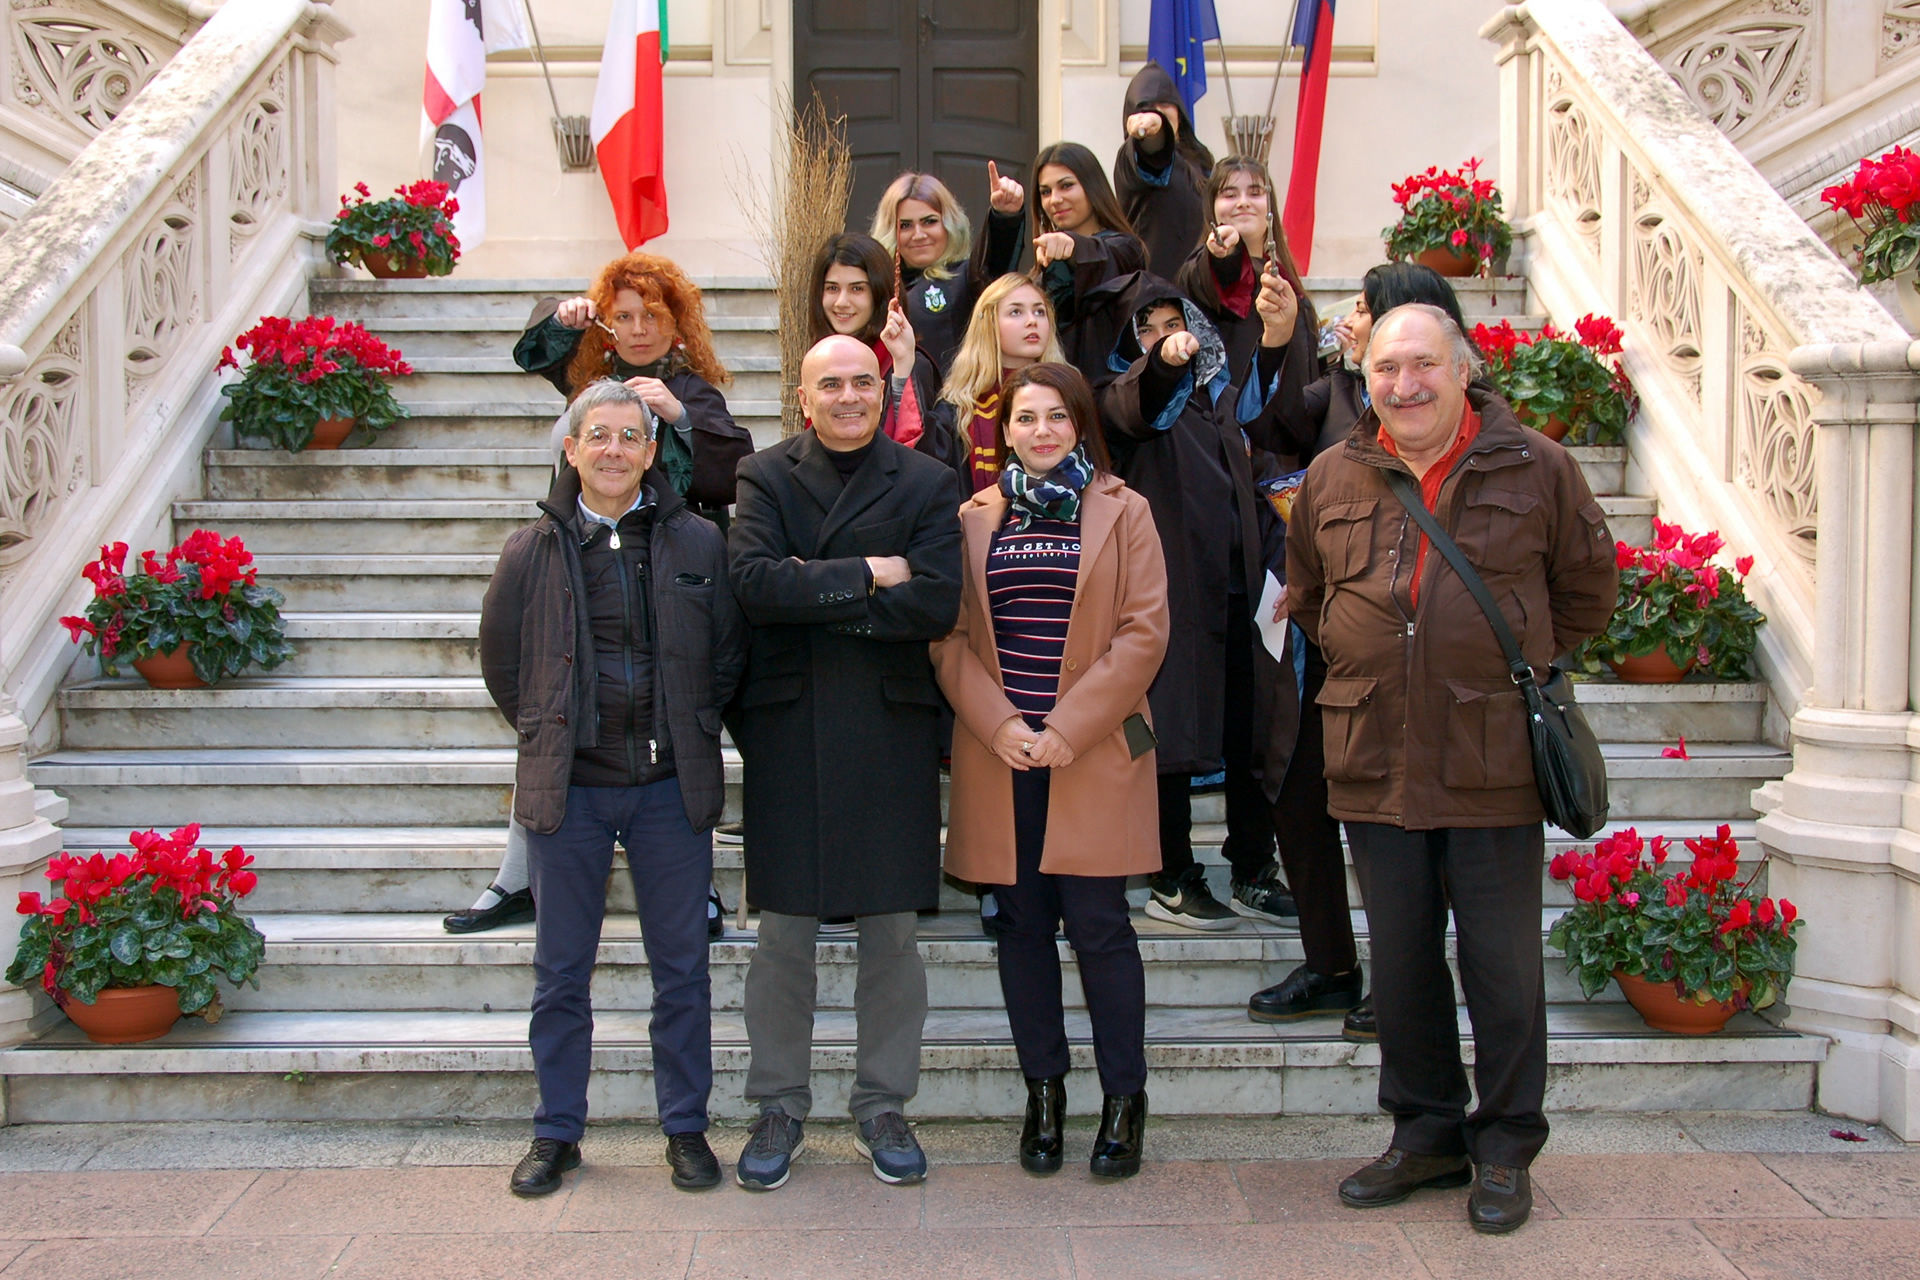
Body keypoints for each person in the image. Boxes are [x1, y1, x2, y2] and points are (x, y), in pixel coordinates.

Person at [1287, 304, 1616, 1233]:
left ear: (1463, 369)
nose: (1404, 385)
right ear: (1367, 376)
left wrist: (1498, 663)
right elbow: (1310, 595)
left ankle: (1505, 1145)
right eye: (1387, 368)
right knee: (1400, 963)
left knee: (1503, 966)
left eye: (1423, 365)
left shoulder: (1536, 466)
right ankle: (1425, 1134)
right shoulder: (1332, 474)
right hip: (1374, 755)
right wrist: (1381, 659)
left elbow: (1589, 589)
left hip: (1490, 756)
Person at [479, 379, 747, 1198]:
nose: (614, 452)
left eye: (631, 438)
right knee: (561, 971)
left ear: (651, 450)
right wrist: (550, 729)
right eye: (598, 437)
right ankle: (557, 1132)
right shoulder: (532, 548)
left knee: (683, 971)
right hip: (575, 795)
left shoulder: (698, 542)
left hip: (670, 790)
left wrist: (694, 724)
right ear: (572, 449)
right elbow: (503, 663)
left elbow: (727, 655)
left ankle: (686, 1130)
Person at [447, 252, 752, 939]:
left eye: (653, 315)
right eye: (623, 317)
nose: (638, 328)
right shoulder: (593, 379)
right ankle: (517, 877)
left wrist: (680, 418)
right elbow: (535, 352)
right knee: (553, 717)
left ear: (678, 324)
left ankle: (696, 886)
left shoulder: (694, 389)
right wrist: (562, 319)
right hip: (581, 573)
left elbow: (735, 472)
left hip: (673, 579)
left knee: (679, 735)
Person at [727, 334, 964, 1191]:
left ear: (884, 386)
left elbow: (937, 600)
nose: (849, 396)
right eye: (832, 383)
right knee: (783, 934)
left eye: (864, 381)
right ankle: (779, 1102)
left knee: (890, 936)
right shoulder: (764, 474)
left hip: (888, 729)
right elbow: (753, 585)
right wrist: (868, 573)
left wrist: (816, 590)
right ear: (804, 395)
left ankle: (882, 1102)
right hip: (789, 729)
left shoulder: (930, 482)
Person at [934, 362, 1168, 1178]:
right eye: (1025, 419)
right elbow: (949, 638)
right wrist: (1000, 724)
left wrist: (1068, 728)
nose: (1040, 431)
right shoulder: (973, 518)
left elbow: (1143, 634)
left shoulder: (1124, 511)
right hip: (1002, 757)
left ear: (1079, 425)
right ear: (1005, 432)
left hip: (1092, 753)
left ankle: (1123, 1100)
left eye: (1056, 417)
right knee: (1022, 931)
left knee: (1102, 929)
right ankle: (1044, 1094)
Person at [1239, 262, 1478, 1041]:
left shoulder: (1462, 418)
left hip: (1410, 658)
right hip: (1315, 640)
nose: (1357, 322)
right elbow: (1266, 429)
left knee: (1397, 823)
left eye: (1373, 312)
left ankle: (1406, 976)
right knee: (1297, 796)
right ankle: (1330, 963)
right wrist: (1280, 344)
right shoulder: (1337, 389)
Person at [1097, 276, 1294, 932]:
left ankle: (1251, 868)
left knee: (1253, 732)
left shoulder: (1222, 397)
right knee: (1170, 736)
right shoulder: (1125, 397)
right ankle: (1171, 874)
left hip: (1241, 594)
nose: (1163, 335)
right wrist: (1162, 361)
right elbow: (1136, 403)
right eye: (1145, 327)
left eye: (1172, 321)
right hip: (1171, 597)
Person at [806, 232, 960, 477]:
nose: (841, 302)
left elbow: (921, 454)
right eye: (832, 288)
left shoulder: (907, 362)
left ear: (879, 295)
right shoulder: (817, 360)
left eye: (857, 289)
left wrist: (901, 368)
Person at [1175, 156, 1317, 398]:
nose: (1243, 203)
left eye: (1255, 193)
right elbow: (1222, 273)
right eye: (1230, 195)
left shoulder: (1282, 274)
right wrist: (1225, 253)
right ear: (1212, 207)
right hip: (1233, 419)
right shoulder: (1204, 268)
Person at [871, 166, 1029, 375]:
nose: (918, 234)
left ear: (949, 224)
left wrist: (1004, 217)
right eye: (905, 225)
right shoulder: (874, 287)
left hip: (954, 402)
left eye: (930, 222)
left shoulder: (967, 278)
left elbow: (994, 266)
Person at [935, 273, 1067, 494]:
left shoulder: (1070, 393)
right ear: (988, 323)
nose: (1032, 320)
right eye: (1016, 311)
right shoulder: (957, 408)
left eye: (1039, 311)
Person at [1028, 142, 1149, 380]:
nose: (1055, 199)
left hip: (1107, 394)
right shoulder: (1043, 265)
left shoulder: (1125, 249)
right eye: (1045, 191)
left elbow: (1104, 260)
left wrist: (1073, 248)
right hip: (1053, 394)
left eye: (1066, 186)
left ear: (1092, 186)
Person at [1113, 62, 1215, 279]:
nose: (1157, 111)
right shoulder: (1132, 160)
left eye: (1164, 103)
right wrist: (1152, 132)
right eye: (1146, 106)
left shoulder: (1201, 162)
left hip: (1201, 287)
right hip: (1156, 291)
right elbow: (1154, 154)